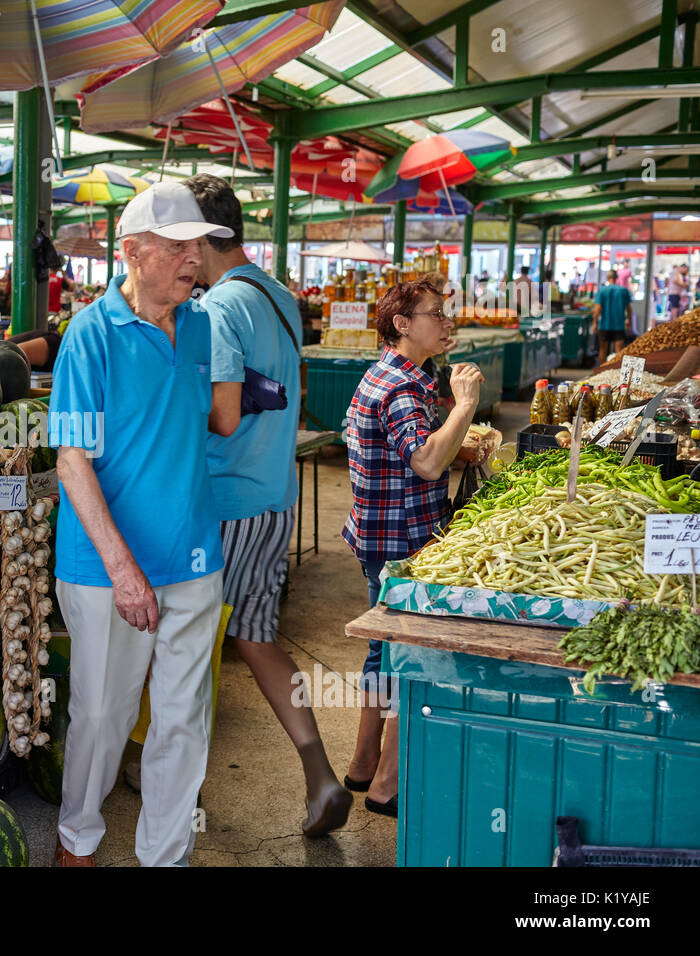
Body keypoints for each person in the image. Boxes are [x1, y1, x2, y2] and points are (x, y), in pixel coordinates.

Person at [50, 181, 231, 867]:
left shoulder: (204, 325)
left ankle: (167, 853)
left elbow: (197, 426)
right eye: (179, 244)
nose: (195, 257)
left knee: (184, 720)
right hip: (106, 570)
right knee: (103, 716)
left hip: (192, 558)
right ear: (132, 251)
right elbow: (72, 463)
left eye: (200, 245)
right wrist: (125, 570)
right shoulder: (89, 338)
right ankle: (78, 838)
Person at [184, 173, 351, 837]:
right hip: (274, 494)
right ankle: (319, 774)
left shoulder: (222, 305)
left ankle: (179, 786)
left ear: (201, 240)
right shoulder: (275, 291)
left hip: (227, 500)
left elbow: (223, 415)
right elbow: (292, 386)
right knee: (254, 636)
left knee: (191, 645)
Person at [341, 276, 484, 818]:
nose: (446, 322)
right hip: (402, 539)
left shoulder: (396, 373)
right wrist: (465, 405)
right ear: (403, 325)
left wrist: (459, 449)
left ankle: (360, 765)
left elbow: (413, 452)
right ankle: (386, 785)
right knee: (414, 653)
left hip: (378, 531)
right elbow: (425, 461)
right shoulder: (401, 385)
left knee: (383, 648)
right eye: (435, 314)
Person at [594, 269, 632, 365]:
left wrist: (594, 323)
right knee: (619, 351)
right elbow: (629, 309)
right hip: (619, 325)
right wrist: (629, 320)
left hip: (604, 325)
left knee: (603, 349)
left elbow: (598, 309)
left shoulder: (602, 290)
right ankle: (615, 371)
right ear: (616, 278)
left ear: (607, 277)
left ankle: (601, 371)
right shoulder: (623, 291)